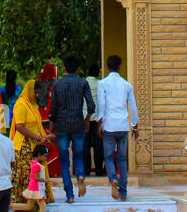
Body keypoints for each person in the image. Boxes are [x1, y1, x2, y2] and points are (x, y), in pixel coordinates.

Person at [49, 54, 95, 203]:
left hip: (62, 125)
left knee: (64, 160)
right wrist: (87, 120)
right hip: (78, 124)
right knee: (78, 155)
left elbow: (53, 111)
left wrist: (51, 130)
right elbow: (91, 106)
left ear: (63, 68)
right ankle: (80, 175)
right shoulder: (83, 83)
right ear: (78, 69)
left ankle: (69, 194)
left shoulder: (57, 85)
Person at [8, 80, 54, 212]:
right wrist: (39, 137)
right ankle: (24, 207)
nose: (38, 95)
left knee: (35, 177)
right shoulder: (21, 105)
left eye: (39, 92)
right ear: (29, 91)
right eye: (36, 92)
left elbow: (35, 126)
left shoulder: (32, 106)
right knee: (28, 177)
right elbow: (20, 127)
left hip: (34, 146)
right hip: (24, 147)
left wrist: (44, 136)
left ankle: (35, 206)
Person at [96, 55, 138, 201]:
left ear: (107, 66)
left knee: (108, 157)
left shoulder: (103, 84)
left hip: (109, 125)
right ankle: (124, 192)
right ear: (120, 66)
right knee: (122, 159)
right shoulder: (126, 84)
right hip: (123, 125)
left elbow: (101, 105)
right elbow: (133, 106)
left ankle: (113, 178)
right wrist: (135, 125)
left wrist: (99, 122)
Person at [18, 144, 51, 212]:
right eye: (45, 156)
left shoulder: (34, 163)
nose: (45, 158)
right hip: (36, 189)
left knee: (29, 206)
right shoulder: (36, 165)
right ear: (39, 155)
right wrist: (45, 180)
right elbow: (36, 177)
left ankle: (11, 206)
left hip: (34, 187)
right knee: (43, 206)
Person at [83, 60, 103, 176]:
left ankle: (86, 170)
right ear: (97, 73)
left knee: (85, 146)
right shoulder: (100, 84)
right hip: (97, 119)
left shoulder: (83, 83)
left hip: (85, 118)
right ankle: (99, 169)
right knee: (98, 146)